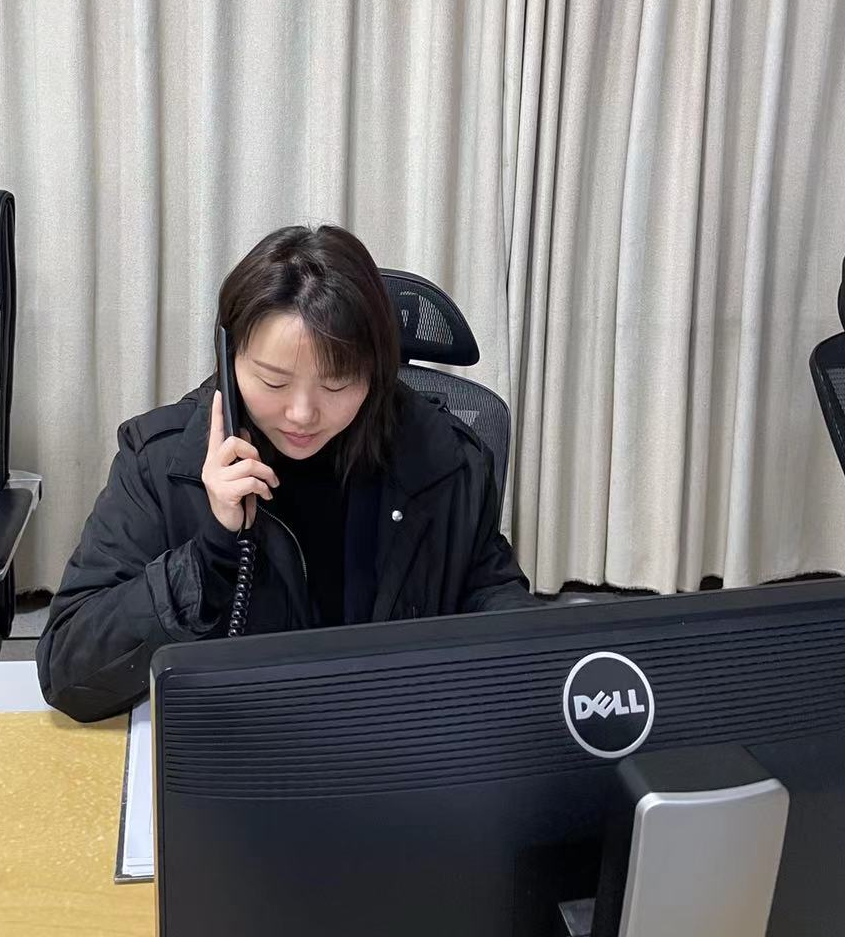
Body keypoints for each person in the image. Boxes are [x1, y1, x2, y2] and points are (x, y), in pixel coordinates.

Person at [36, 224, 535, 721]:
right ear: (229, 358)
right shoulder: (161, 462)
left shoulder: (444, 458)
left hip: (392, 735)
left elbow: (492, 595)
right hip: (241, 742)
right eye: (273, 382)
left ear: (377, 371)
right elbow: (66, 671)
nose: (302, 414)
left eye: (337, 384)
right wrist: (209, 555)